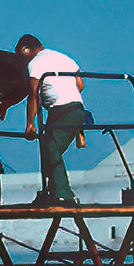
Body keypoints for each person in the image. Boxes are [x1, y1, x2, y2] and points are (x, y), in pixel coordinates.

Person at [17, 34, 85, 205]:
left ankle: (63, 194)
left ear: (26, 50)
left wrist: (30, 125)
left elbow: (33, 95)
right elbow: (80, 84)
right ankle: (52, 190)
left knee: (50, 147)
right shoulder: (64, 58)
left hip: (62, 110)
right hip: (76, 109)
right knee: (48, 146)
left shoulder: (35, 63)